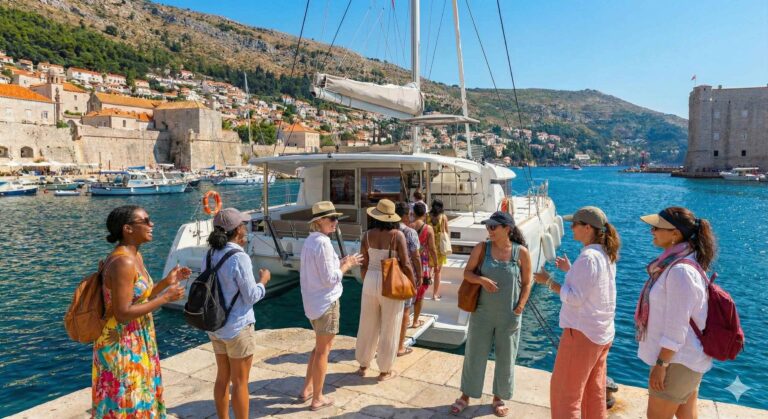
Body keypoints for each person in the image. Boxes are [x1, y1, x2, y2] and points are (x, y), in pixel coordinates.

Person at [93, 205, 190, 418]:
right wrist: (165, 298)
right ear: (127, 229)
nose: (151, 224)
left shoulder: (135, 256)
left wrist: (166, 282)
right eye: (145, 221)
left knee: (141, 398)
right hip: (121, 343)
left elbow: (139, 297)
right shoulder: (123, 262)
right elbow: (122, 312)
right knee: (127, 402)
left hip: (138, 337)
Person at [533, 206, 620, 419]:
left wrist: (548, 281)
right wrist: (570, 270)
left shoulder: (589, 257)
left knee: (566, 393)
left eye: (575, 224)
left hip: (582, 335)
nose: (571, 227)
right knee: (594, 391)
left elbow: (575, 298)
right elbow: (593, 287)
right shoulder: (606, 254)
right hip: (601, 334)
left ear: (588, 228)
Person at [636, 207, 715, 419]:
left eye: (657, 227)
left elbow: (676, 327)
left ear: (675, 234)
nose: (651, 231)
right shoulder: (679, 264)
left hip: (677, 362)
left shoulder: (680, 271)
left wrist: (661, 365)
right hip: (686, 359)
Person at [451, 211, 532, 417]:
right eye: (488, 226)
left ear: (507, 229)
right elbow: (467, 273)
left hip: (510, 314)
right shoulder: (482, 248)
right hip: (482, 313)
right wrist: (481, 280)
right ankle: (466, 395)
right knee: (474, 354)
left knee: (506, 357)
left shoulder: (520, 252)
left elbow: (527, 282)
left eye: (493, 227)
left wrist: (521, 305)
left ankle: (499, 397)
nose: (489, 230)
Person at [204, 208, 271, 419]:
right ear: (238, 229)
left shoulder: (211, 253)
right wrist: (263, 281)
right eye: (244, 225)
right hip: (237, 327)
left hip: (216, 325)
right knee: (241, 382)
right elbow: (251, 296)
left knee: (222, 377)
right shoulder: (238, 257)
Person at [299, 201, 363, 411]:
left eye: (336, 218)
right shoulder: (324, 243)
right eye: (332, 218)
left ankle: (307, 389)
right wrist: (347, 265)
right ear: (319, 221)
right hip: (326, 303)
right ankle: (318, 398)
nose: (336, 222)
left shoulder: (310, 241)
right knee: (323, 351)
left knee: (318, 348)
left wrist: (340, 262)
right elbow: (330, 278)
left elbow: (318, 271)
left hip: (313, 303)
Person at [355, 199, 415, 381]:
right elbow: (405, 263)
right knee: (390, 325)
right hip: (390, 281)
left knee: (367, 324)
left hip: (370, 279)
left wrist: (368, 280)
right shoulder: (397, 235)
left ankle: (363, 365)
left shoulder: (367, 235)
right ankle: (384, 371)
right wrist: (413, 283)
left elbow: (363, 262)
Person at [394, 201, 422, 357]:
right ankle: (399, 347)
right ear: (406, 215)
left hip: (389, 275)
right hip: (405, 275)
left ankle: (386, 344)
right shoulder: (410, 232)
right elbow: (415, 257)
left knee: (390, 312)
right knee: (405, 311)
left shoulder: (388, 230)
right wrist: (420, 275)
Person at [410, 201, 438, 328]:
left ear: (413, 213)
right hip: (423, 263)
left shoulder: (409, 226)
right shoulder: (428, 229)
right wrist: (436, 264)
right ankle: (415, 320)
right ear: (425, 214)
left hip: (409, 261)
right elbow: (432, 248)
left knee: (409, 290)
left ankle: (405, 319)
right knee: (420, 293)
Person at [427, 199, 449, 300]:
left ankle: (423, 289)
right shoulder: (443, 217)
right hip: (439, 248)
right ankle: (435, 294)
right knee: (438, 272)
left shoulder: (427, 216)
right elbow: (447, 233)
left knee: (428, 269)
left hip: (428, 246)